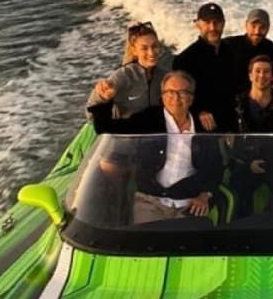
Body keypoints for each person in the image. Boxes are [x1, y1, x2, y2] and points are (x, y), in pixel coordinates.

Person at [87, 71, 223, 221]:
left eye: (182, 92)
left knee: (196, 235)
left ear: (191, 98)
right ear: (162, 97)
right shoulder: (149, 119)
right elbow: (106, 129)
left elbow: (215, 166)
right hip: (150, 201)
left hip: (190, 203)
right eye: (170, 92)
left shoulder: (204, 125)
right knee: (147, 234)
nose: (176, 98)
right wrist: (104, 100)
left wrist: (205, 195)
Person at [230, 56, 273, 215]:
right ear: (250, 75)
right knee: (240, 192)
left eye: (266, 71)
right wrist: (248, 162)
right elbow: (230, 141)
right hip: (245, 163)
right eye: (257, 71)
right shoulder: (237, 103)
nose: (262, 75)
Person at [172, 2, 236, 132]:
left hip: (230, 126)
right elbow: (178, 97)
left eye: (217, 22)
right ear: (197, 24)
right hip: (199, 128)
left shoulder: (232, 53)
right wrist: (198, 111)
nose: (212, 27)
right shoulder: (184, 59)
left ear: (223, 23)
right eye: (207, 22)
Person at [87, 22, 166, 118]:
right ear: (134, 51)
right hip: (125, 127)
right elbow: (90, 113)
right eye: (144, 48)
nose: (151, 52)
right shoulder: (124, 76)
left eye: (154, 46)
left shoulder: (164, 76)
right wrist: (103, 97)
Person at [223, 8, 273, 94]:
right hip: (231, 95)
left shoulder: (271, 47)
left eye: (262, 27)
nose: (257, 31)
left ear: (268, 28)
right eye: (253, 26)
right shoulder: (229, 44)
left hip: (259, 96)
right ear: (246, 25)